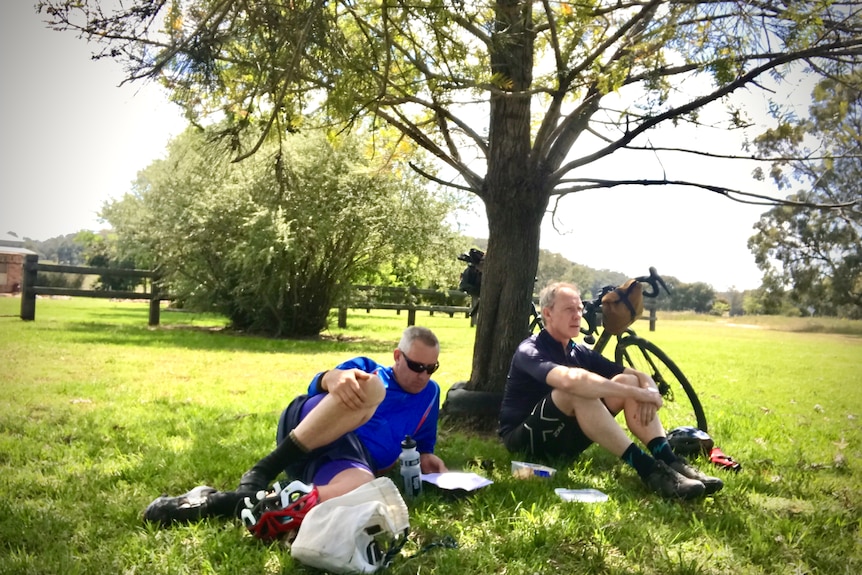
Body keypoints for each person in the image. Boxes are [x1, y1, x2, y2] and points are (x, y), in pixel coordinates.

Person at [145, 325, 448, 527]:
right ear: (397, 356)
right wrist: (330, 378)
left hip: (344, 462)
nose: (423, 375)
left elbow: (421, 441)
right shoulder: (369, 369)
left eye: (430, 368)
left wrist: (426, 456)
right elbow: (319, 386)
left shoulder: (430, 394)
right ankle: (263, 469)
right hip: (308, 428)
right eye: (416, 366)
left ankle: (229, 502)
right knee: (371, 390)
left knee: (367, 492)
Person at [498, 282, 722, 500]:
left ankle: (669, 460)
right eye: (569, 309)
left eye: (579, 309)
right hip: (526, 445)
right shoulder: (530, 349)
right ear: (547, 313)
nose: (578, 315)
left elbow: (637, 376)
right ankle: (649, 470)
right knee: (576, 390)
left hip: (563, 443)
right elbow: (570, 381)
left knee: (629, 381)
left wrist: (650, 392)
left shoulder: (579, 352)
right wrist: (637, 394)